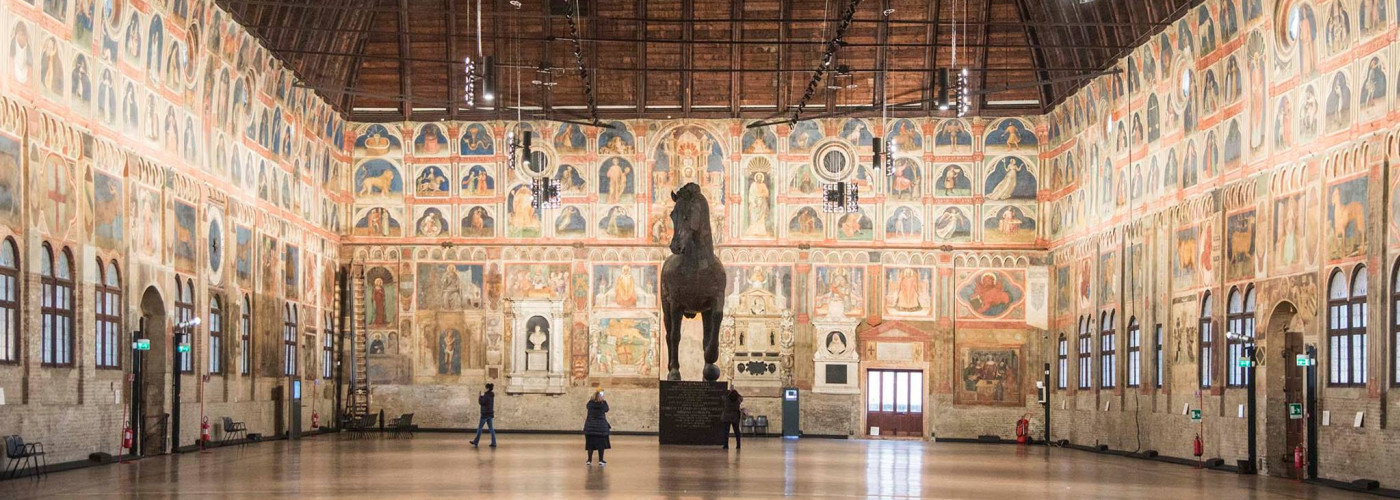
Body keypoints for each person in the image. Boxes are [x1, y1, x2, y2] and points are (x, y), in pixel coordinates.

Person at [584, 389, 611, 465]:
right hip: (601, 427)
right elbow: (607, 409)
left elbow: (587, 407)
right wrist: (603, 399)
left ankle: (589, 460)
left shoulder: (590, 404)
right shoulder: (603, 403)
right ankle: (600, 460)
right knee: (601, 445)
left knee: (590, 445)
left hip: (590, 426)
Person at [471, 383, 496, 447]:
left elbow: (481, 402)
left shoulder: (486, 395)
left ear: (487, 388)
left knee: (480, 428)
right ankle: (494, 442)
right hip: (490, 413)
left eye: (485, 387)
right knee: (491, 429)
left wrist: (479, 396)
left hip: (485, 414)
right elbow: (486, 401)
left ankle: (476, 442)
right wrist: (482, 397)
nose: (484, 389)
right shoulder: (491, 395)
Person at [721, 385, 744, 450]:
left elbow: (723, 396)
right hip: (735, 417)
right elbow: (741, 397)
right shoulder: (738, 400)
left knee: (726, 432)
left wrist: (729, 391)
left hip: (726, 416)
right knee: (737, 432)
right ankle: (738, 445)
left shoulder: (727, 400)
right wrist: (734, 391)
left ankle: (725, 445)